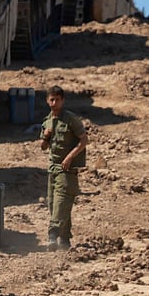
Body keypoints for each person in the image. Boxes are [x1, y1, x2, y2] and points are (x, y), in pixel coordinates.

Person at [38, 85, 88, 251]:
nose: (54, 103)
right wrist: (45, 136)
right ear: (47, 101)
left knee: (61, 202)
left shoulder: (70, 119)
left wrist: (70, 157)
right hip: (53, 168)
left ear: (62, 100)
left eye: (57, 100)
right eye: (51, 100)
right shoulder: (47, 121)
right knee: (54, 204)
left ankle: (52, 234)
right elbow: (43, 147)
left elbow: (83, 140)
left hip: (67, 169)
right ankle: (65, 240)